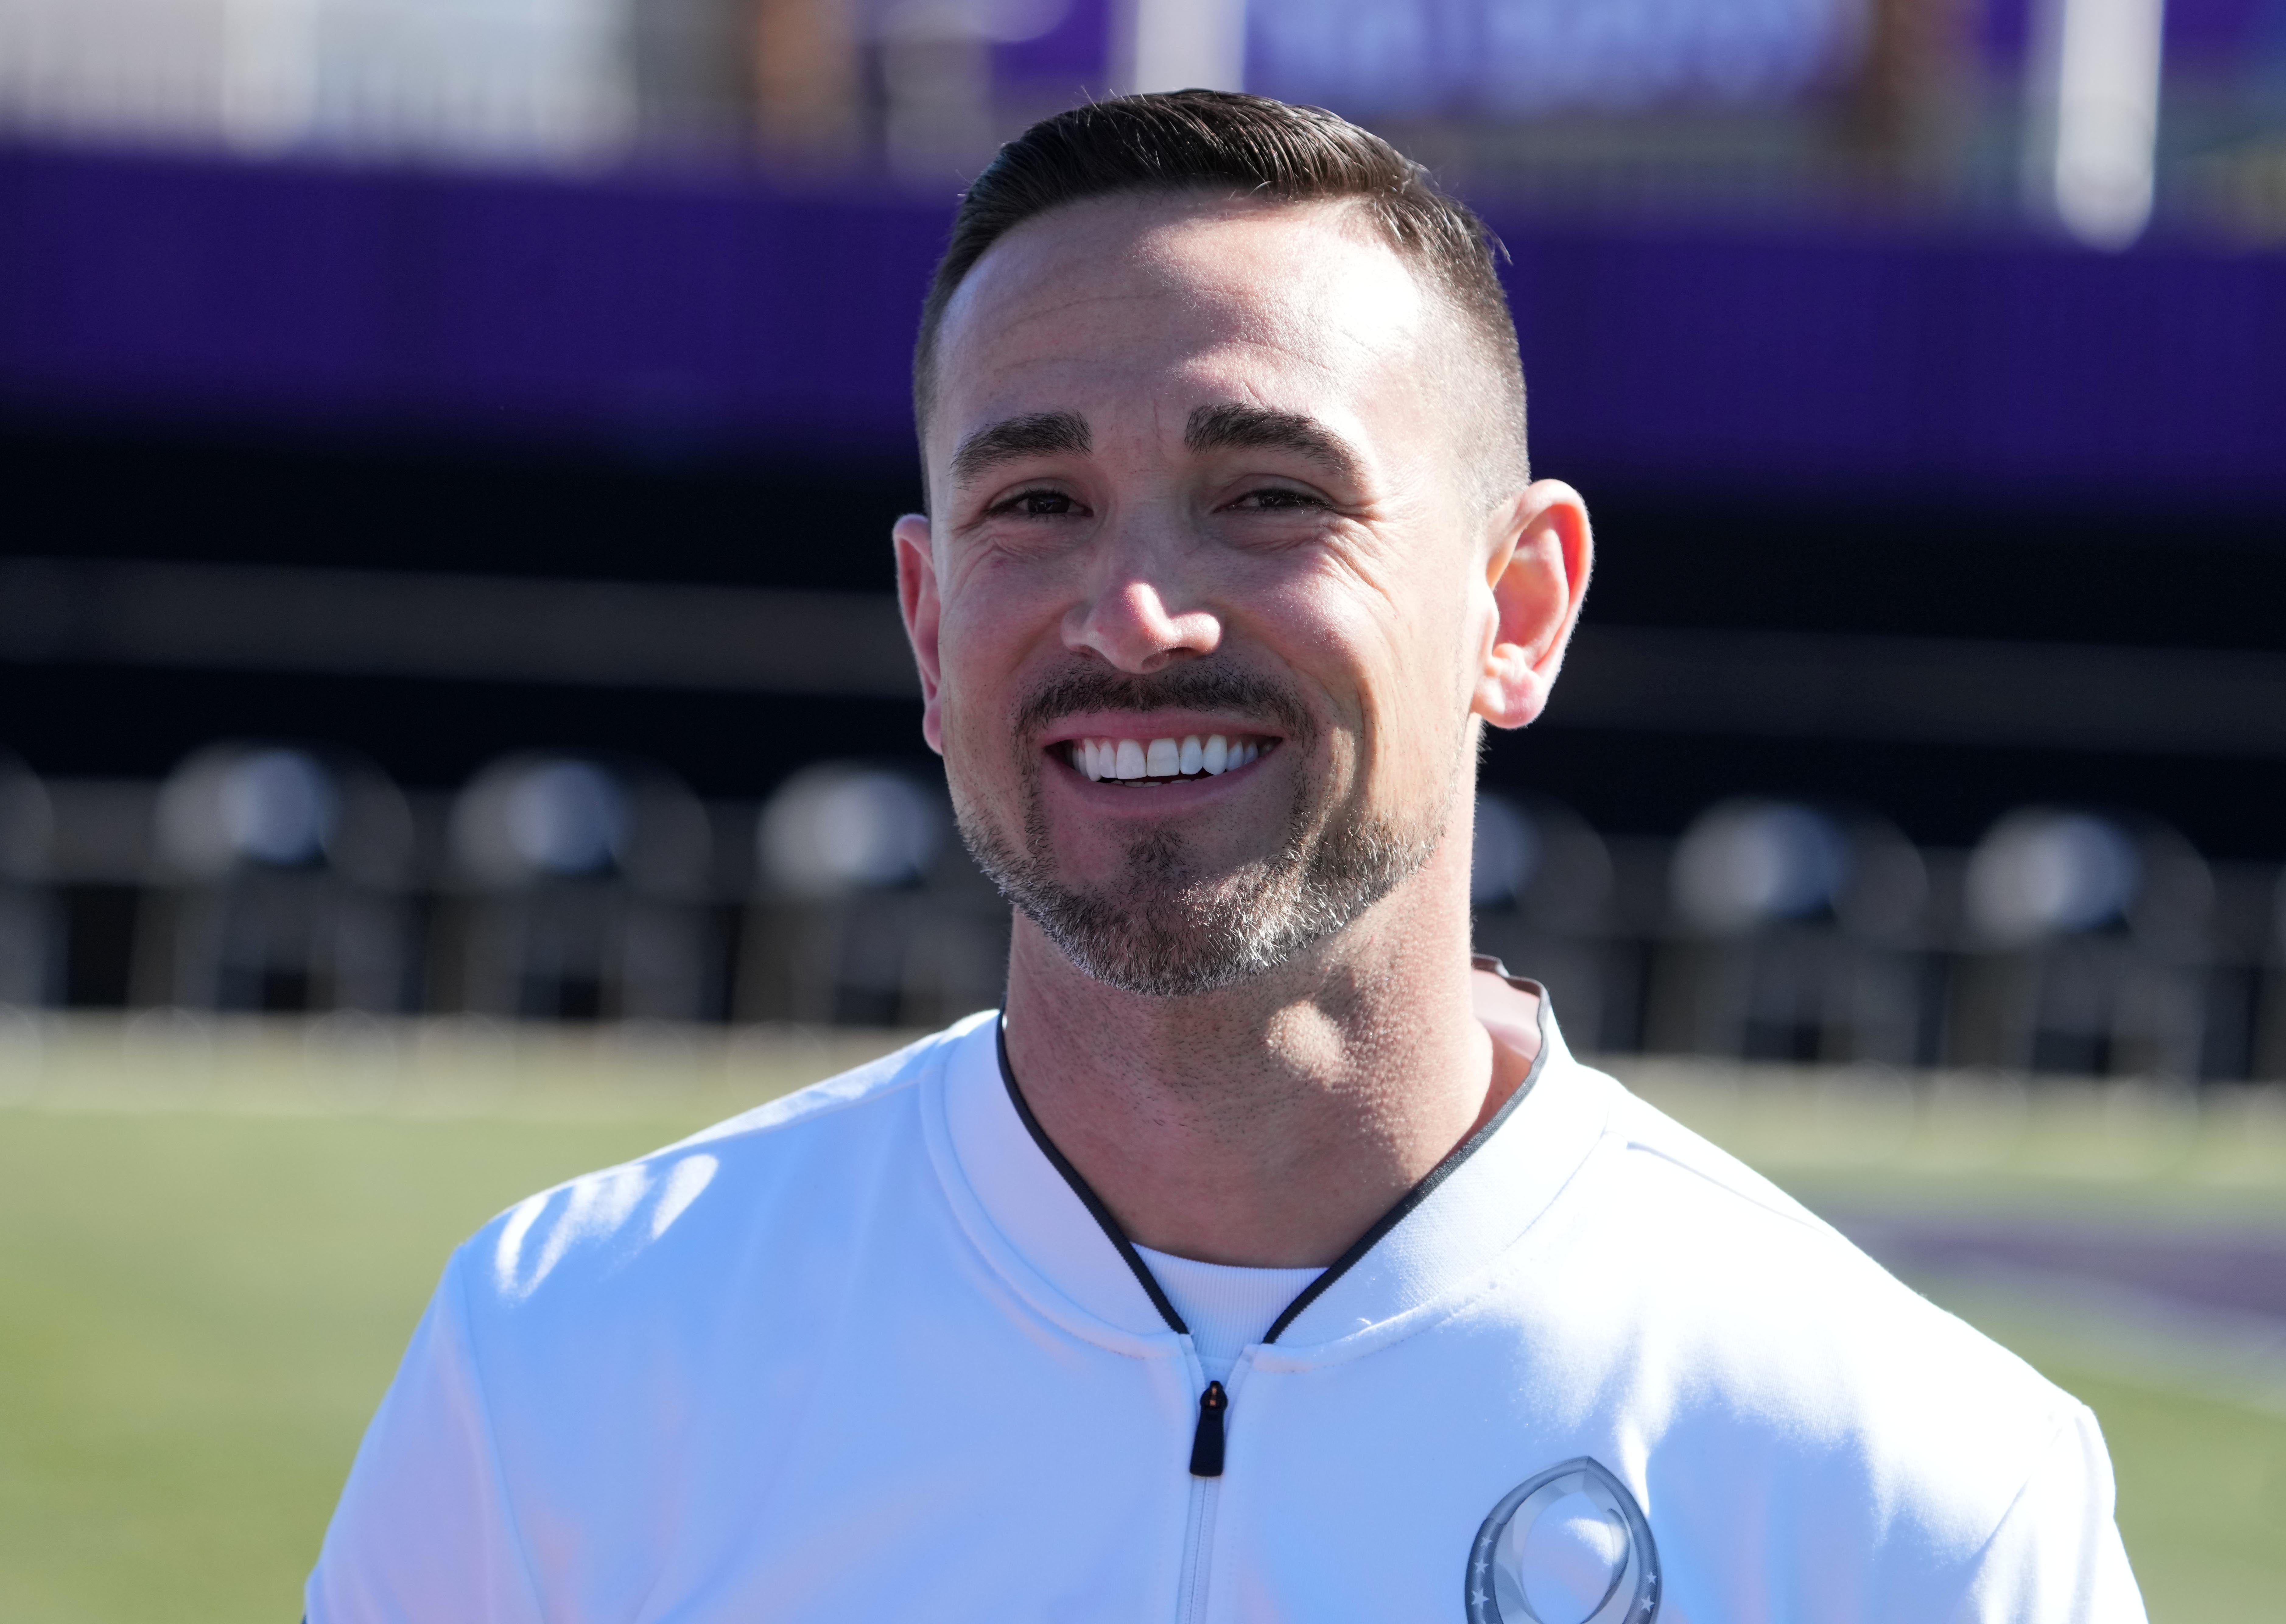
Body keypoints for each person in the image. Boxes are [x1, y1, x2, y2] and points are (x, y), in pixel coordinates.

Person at [307, 91, 2146, 1622]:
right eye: (1036, 503)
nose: (1136, 614)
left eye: (1269, 495)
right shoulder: (569, 1357)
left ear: (1517, 608)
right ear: (930, 628)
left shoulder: (1909, 1486)